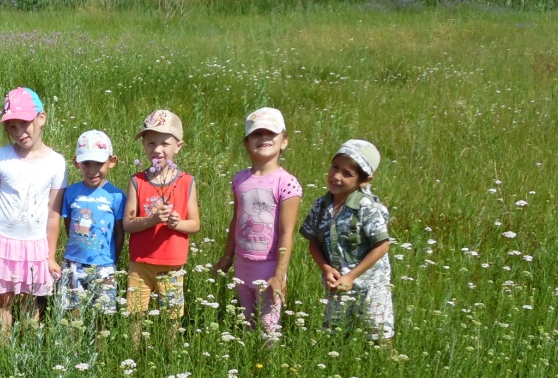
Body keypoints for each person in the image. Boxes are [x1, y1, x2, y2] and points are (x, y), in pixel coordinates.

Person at [0, 87, 67, 334]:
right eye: (12, 127)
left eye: (25, 123)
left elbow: (54, 214)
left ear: (41, 118)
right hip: (0, 241)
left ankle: (28, 351)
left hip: (34, 244)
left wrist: (50, 255)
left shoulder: (56, 162)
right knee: (3, 299)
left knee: (30, 301)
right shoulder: (2, 157)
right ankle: (3, 353)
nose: (20, 132)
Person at [215, 107, 303, 341]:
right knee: (246, 322)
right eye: (256, 133)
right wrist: (227, 257)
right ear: (246, 143)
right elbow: (237, 219)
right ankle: (250, 370)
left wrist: (279, 274)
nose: (263, 138)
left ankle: (269, 373)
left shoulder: (287, 184)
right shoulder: (240, 179)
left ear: (284, 142)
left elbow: (287, 232)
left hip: (269, 266)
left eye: (271, 133)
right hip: (243, 265)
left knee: (268, 327)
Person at [299, 139, 394, 343]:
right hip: (337, 284)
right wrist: (325, 268)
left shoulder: (366, 207)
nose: (336, 176)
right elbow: (313, 242)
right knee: (334, 334)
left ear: (365, 180)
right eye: (334, 167)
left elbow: (382, 245)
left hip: (371, 285)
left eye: (347, 174)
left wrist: (351, 276)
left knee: (378, 335)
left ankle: (388, 368)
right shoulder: (321, 205)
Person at [122, 109, 200, 339]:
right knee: (135, 313)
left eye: (165, 143)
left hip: (172, 264)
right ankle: (132, 354)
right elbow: (128, 223)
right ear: (144, 146)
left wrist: (177, 224)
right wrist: (153, 219)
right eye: (150, 143)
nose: (157, 150)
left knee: (172, 316)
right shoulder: (137, 181)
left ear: (178, 146)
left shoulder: (186, 182)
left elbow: (194, 224)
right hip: (141, 263)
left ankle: (170, 353)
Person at [58, 130, 125, 316]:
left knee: (102, 316)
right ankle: (73, 346)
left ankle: (100, 346)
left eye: (99, 163)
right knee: (72, 313)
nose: (92, 170)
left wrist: (112, 260)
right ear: (76, 163)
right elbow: (68, 223)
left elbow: (120, 232)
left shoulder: (116, 196)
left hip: (104, 265)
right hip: (73, 262)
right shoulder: (70, 192)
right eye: (86, 163)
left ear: (112, 162)